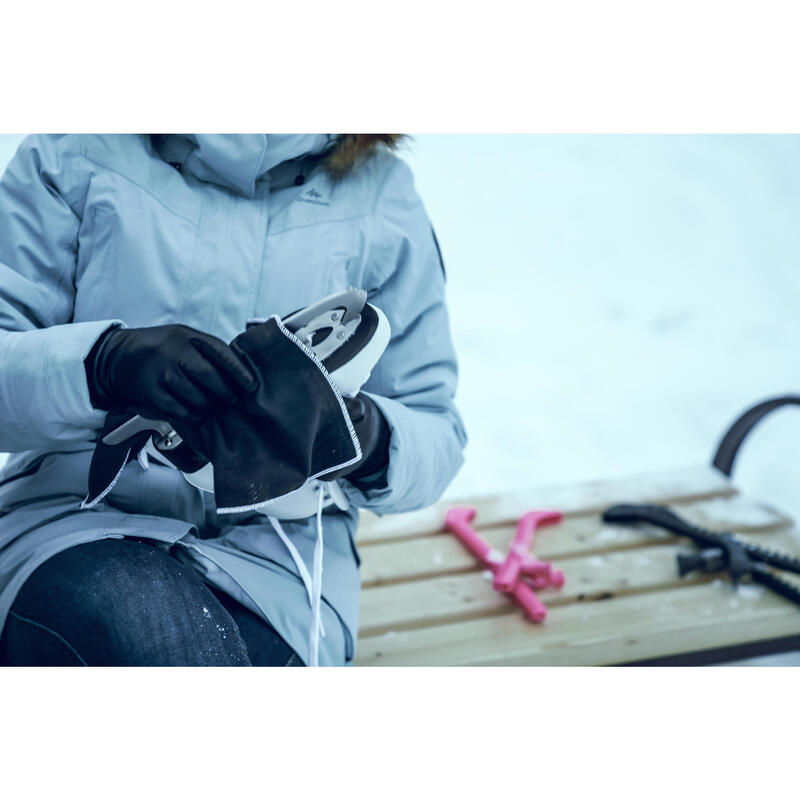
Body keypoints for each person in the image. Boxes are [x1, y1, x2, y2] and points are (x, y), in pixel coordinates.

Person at [0, 134, 466, 667]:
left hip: (282, 574)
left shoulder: (381, 193)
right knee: (155, 629)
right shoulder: (75, 149)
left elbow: (437, 429)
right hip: (73, 524)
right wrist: (103, 363)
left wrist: (362, 433)